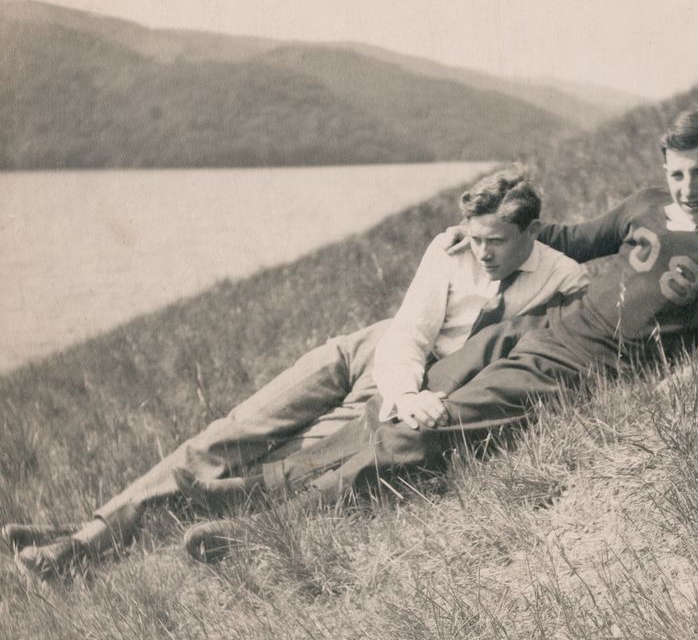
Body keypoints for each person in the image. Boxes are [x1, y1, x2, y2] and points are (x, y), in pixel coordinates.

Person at [182, 106, 698, 561]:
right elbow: (571, 240)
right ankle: (255, 487)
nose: (688, 188)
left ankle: (257, 532)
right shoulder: (648, 205)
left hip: (586, 368)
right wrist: (484, 231)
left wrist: (671, 378)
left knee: (432, 427)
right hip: (541, 327)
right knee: (407, 397)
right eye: (677, 173)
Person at [6, 169, 589, 579]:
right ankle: (87, 537)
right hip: (375, 353)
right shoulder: (451, 248)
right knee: (226, 435)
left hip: (421, 380)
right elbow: (409, 332)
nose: (483, 252)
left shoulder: (562, 279)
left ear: (532, 234)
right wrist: (406, 395)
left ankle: (98, 542)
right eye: (477, 237)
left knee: (268, 471)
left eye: (496, 242)